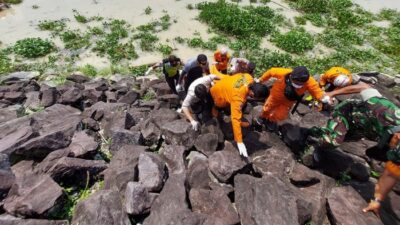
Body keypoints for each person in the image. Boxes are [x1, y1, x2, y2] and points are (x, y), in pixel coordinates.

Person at [305, 84, 400, 168]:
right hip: (347, 113)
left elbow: (377, 153)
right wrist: (331, 94)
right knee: (333, 141)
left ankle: (319, 133)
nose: (388, 147)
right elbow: (364, 87)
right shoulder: (385, 109)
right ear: (397, 136)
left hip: (363, 128)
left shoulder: (393, 141)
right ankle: (312, 145)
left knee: (340, 138)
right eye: (391, 147)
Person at [210, 71, 269, 157]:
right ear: (252, 93)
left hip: (226, 83)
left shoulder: (249, 77)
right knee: (220, 104)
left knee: (241, 104)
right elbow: (235, 119)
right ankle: (215, 107)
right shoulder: (238, 98)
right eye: (257, 98)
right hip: (217, 92)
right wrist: (239, 141)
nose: (257, 100)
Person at [255, 66, 330, 130]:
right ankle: (263, 117)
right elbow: (271, 72)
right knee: (267, 108)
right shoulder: (285, 73)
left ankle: (271, 120)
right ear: (291, 77)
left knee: (281, 115)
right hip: (275, 96)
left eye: (300, 84)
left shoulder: (310, 82)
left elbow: (316, 90)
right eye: (296, 82)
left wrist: (322, 98)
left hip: (289, 100)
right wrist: (261, 80)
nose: (298, 84)